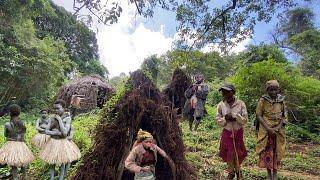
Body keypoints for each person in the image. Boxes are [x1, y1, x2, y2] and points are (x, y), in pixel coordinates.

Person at [40, 99, 81, 180]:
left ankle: (61, 178)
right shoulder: (52, 118)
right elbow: (47, 131)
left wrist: (59, 120)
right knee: (52, 163)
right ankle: (52, 178)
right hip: (52, 142)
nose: (56, 110)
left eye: (58, 108)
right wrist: (58, 133)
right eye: (55, 108)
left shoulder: (67, 118)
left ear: (63, 108)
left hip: (62, 143)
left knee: (62, 164)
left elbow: (65, 133)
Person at [256, 80, 287, 180]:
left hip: (278, 131)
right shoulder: (263, 100)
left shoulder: (281, 100)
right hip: (266, 130)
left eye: (275, 89)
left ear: (278, 90)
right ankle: (269, 173)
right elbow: (259, 115)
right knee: (267, 152)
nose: (273, 92)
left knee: (277, 151)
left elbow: (284, 116)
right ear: (267, 90)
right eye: (271, 90)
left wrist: (277, 128)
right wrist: (269, 129)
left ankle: (275, 173)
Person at [216, 84, 247, 180]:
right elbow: (218, 121)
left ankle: (238, 171)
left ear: (233, 92)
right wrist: (225, 119)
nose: (225, 94)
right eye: (223, 92)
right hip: (227, 132)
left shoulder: (241, 104)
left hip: (238, 132)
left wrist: (235, 116)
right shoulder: (221, 105)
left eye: (227, 92)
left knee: (237, 152)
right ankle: (231, 172)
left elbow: (245, 120)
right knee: (228, 152)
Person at [0, 104, 34, 180]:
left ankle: (15, 178)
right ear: (19, 113)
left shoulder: (7, 124)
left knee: (14, 166)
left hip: (11, 145)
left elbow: (6, 135)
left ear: (10, 113)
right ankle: (25, 177)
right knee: (23, 163)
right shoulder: (23, 123)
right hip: (21, 145)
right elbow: (23, 135)